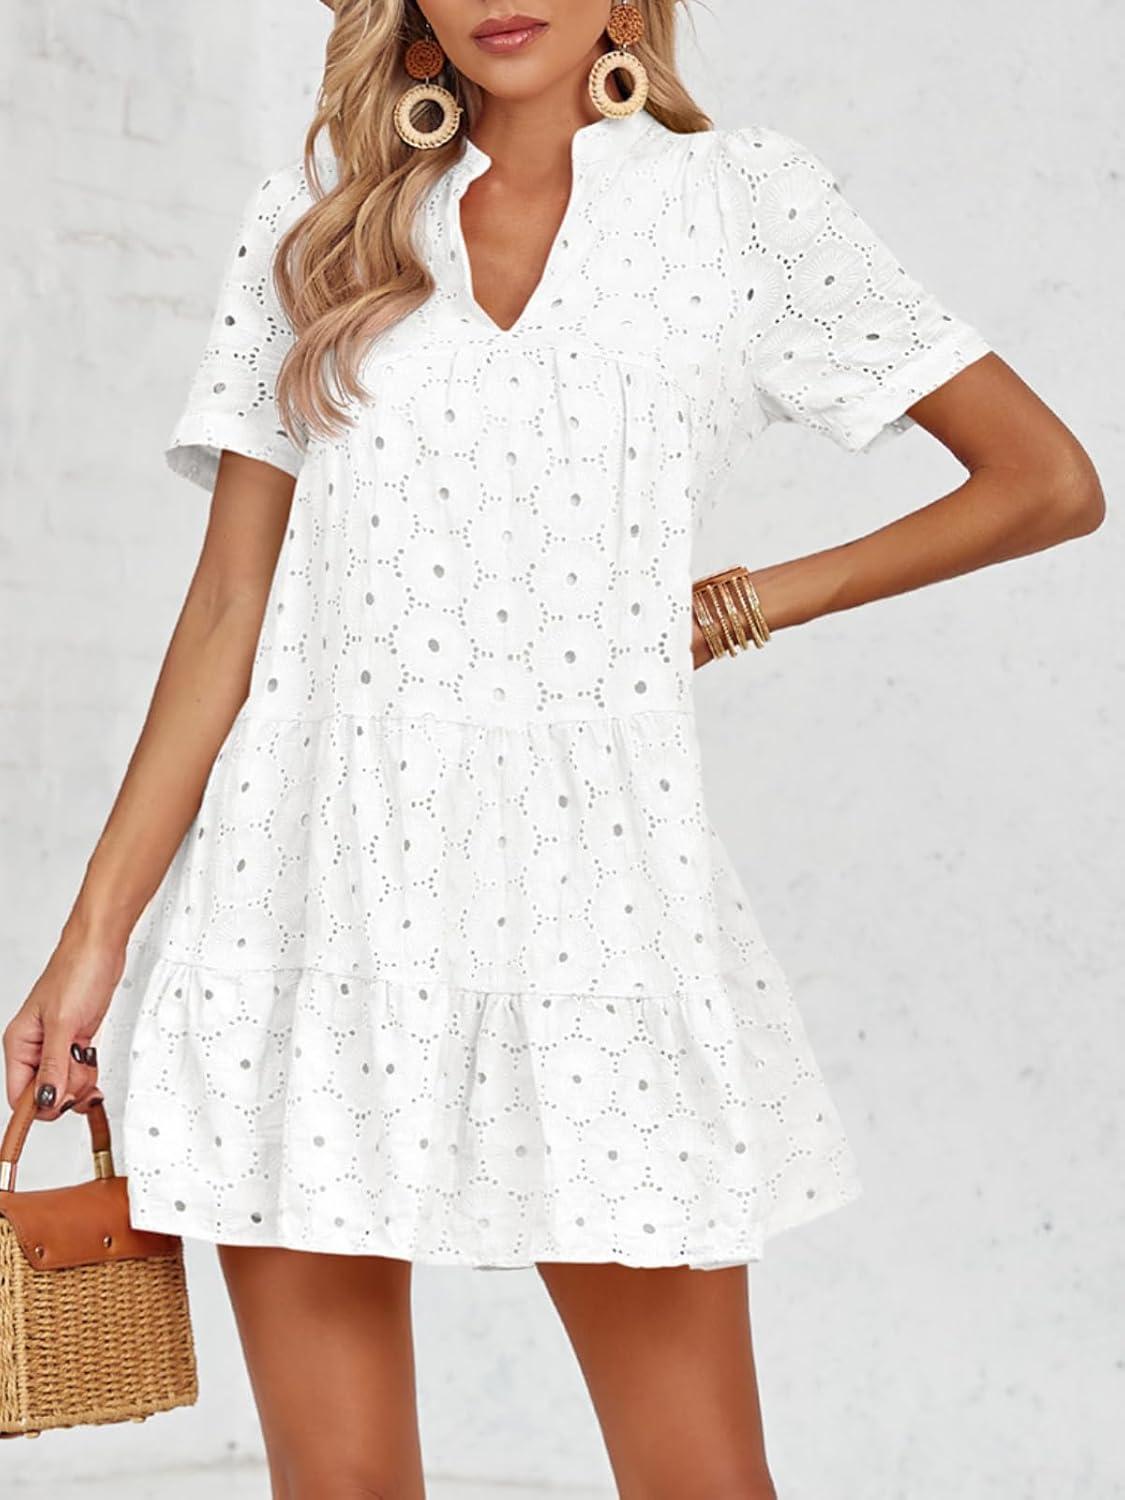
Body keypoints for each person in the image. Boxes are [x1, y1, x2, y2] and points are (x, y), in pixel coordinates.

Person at [3, 2, 1104, 1495]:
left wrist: (738, 603)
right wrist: (92, 945)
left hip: (594, 912)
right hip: (301, 913)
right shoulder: (318, 229)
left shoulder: (740, 207)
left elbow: (1044, 481)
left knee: (700, 1482)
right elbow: (226, 612)